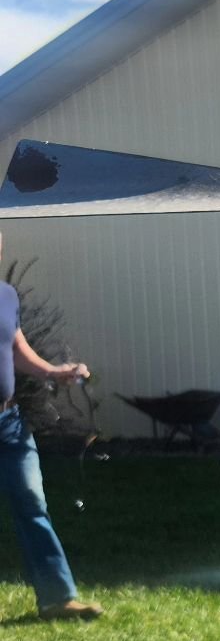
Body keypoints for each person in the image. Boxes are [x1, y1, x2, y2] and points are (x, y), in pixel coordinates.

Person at [0, 235, 103, 621]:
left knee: (32, 503)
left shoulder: (6, 296)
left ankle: (57, 598)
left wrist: (53, 371)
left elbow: (13, 346)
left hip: (8, 422)